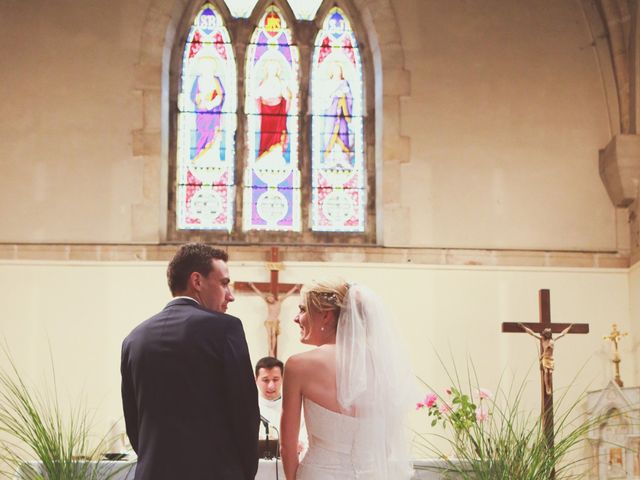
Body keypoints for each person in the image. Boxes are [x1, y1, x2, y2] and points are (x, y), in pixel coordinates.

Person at [121, 243, 260, 480]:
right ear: (197, 281)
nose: (231, 296)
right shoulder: (225, 328)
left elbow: (134, 422)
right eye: (224, 283)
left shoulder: (134, 338)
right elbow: (245, 413)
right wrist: (243, 472)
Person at [280, 280, 416, 480]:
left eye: (302, 310)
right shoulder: (381, 365)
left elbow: (287, 446)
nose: (296, 318)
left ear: (326, 316)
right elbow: (385, 441)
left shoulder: (298, 365)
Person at [255, 356, 307, 455]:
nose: (271, 386)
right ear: (256, 379)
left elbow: (305, 433)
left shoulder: (295, 405)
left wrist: (299, 443)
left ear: (283, 379)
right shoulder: (249, 408)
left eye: (275, 379)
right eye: (265, 380)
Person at [520, 323, 573, 395]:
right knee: (546, 371)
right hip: (545, 358)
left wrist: (570, 327)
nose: (548, 334)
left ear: (550, 334)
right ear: (545, 334)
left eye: (549, 333)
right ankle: (547, 387)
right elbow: (532, 333)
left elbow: (562, 334)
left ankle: (549, 387)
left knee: (550, 373)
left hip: (551, 358)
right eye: (547, 333)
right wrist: (523, 327)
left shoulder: (553, 339)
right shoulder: (542, 339)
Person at [249, 283, 299, 357]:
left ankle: (273, 350)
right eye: (268, 298)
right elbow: (260, 294)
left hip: (275, 321)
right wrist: (253, 286)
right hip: (268, 321)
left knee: (273, 335)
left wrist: (295, 288)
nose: (269, 299)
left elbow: (287, 295)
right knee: (269, 335)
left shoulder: (279, 302)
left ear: (273, 297)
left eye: (270, 297)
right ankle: (270, 351)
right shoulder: (268, 304)